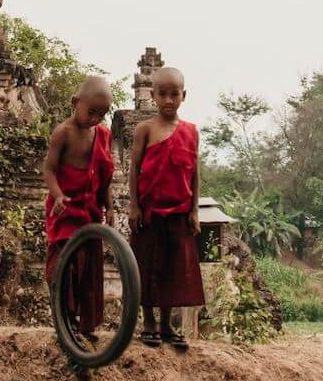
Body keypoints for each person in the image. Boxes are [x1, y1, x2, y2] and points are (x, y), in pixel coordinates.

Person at [128, 66, 204, 349]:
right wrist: (134, 205)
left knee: (175, 268)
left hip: (179, 212)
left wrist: (194, 210)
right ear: (153, 95)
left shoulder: (191, 132)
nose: (168, 100)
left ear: (183, 95)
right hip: (149, 211)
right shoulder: (145, 129)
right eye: (163, 94)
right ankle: (148, 322)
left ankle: (166, 325)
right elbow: (134, 169)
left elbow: (194, 172)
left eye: (174, 94)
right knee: (147, 266)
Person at [42, 76, 115, 341]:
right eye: (91, 111)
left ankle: (86, 325)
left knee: (89, 269)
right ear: (75, 103)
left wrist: (110, 207)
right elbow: (49, 170)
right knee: (65, 267)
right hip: (66, 211)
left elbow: (105, 179)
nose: (95, 118)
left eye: (102, 114)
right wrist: (58, 196)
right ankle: (65, 319)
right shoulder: (63, 132)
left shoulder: (104, 135)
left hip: (91, 212)